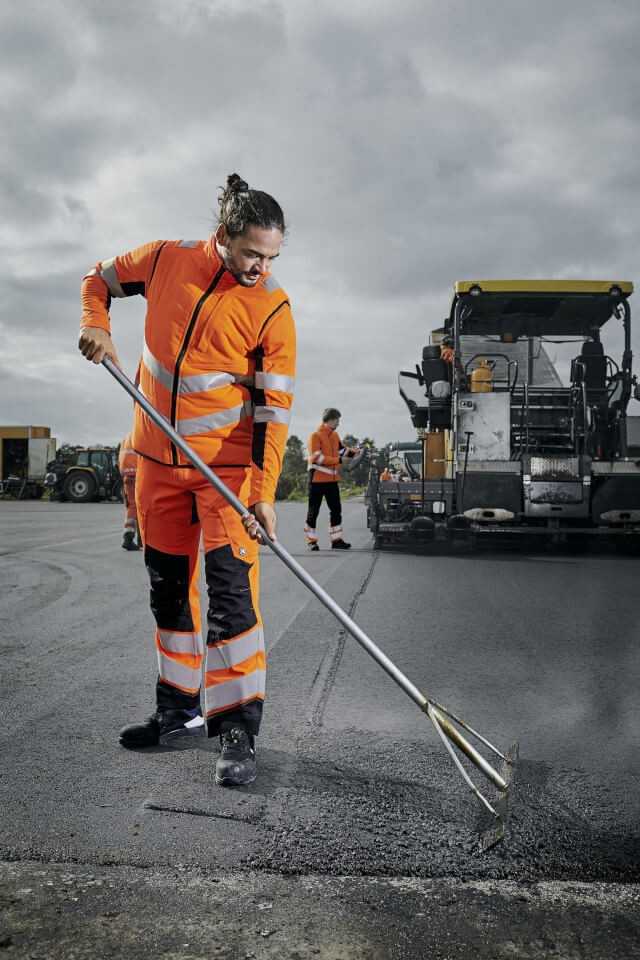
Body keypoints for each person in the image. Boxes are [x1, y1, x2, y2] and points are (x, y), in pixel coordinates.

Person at [78, 174, 296, 787]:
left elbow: (273, 413)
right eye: (253, 252)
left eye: (272, 257)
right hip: (156, 466)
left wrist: (262, 493)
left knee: (231, 603)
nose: (261, 267)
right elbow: (97, 279)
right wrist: (99, 323)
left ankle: (236, 729)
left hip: (224, 476)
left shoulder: (273, 308)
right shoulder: (165, 261)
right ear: (224, 235)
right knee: (169, 594)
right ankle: (178, 710)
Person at [304, 408, 357, 551]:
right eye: (337, 420)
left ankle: (336, 540)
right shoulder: (315, 436)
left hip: (332, 481)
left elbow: (342, 451)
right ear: (331, 419)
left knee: (336, 510)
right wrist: (339, 459)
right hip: (316, 481)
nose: (339, 423)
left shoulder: (334, 436)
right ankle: (311, 541)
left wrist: (357, 451)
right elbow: (317, 458)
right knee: (313, 511)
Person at [118, 430, 140, 551]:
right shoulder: (141, 435)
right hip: (139, 475)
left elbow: (120, 460)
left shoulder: (125, 439)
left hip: (127, 476)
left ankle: (128, 536)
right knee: (143, 507)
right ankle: (139, 540)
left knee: (132, 506)